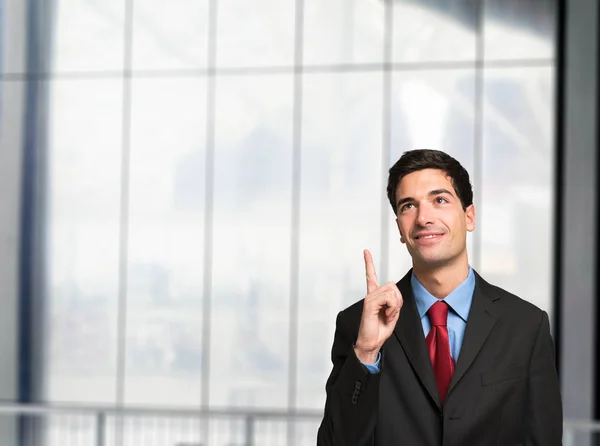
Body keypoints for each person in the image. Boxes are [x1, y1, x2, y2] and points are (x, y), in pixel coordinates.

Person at [316, 149, 562, 446]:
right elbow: (335, 441)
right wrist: (366, 353)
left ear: (469, 216)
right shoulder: (358, 323)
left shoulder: (525, 325)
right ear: (400, 229)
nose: (423, 217)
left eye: (440, 200)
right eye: (408, 206)